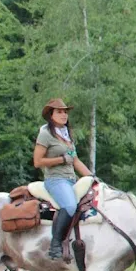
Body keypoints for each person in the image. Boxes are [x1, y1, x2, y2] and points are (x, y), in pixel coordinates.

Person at [33, 99, 92, 259]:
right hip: (55, 180)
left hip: (71, 180)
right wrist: (61, 160)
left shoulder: (66, 134)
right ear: (50, 115)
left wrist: (92, 178)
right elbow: (37, 162)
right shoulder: (45, 134)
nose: (64, 114)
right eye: (59, 111)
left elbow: (76, 161)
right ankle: (55, 244)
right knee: (70, 205)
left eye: (65, 111)